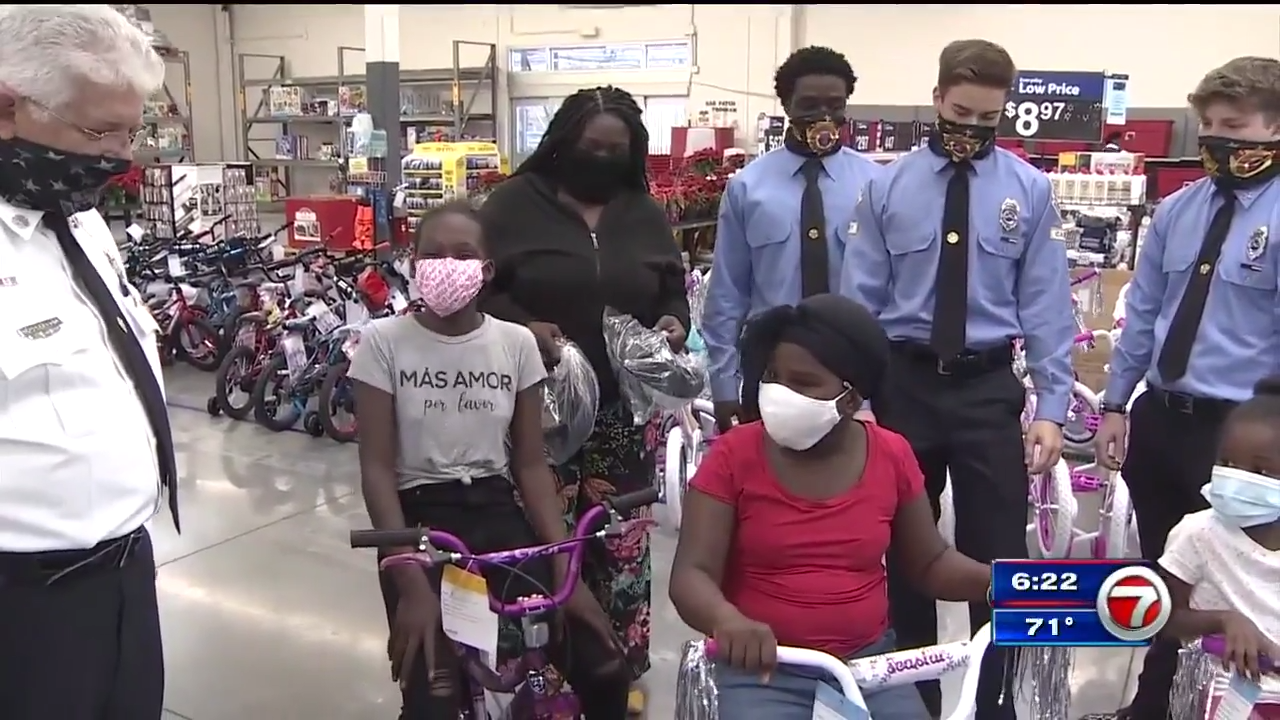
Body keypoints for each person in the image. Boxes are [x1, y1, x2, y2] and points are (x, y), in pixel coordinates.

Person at [840, 39, 1074, 719]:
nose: (972, 128)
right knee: (904, 552)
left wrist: (1052, 406)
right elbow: (859, 301)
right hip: (903, 386)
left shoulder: (1028, 190)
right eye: (962, 112)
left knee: (998, 556)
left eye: (988, 118)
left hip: (986, 389)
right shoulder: (886, 187)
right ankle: (912, 703)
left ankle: (993, 703)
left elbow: (1047, 305)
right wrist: (855, 398)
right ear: (938, 98)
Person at [348, 202, 631, 718]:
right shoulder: (383, 344)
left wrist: (564, 566)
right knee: (434, 695)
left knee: (605, 668)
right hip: (417, 524)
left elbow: (530, 465)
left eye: (463, 255)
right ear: (413, 263)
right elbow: (377, 471)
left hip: (498, 511)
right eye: (433, 254)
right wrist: (410, 581)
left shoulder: (515, 344)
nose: (447, 265)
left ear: (487, 269)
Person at [668, 294, 992, 720]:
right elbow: (691, 575)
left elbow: (930, 563)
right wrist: (726, 620)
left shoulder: (891, 455)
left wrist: (1003, 584)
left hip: (868, 669)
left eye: (802, 382)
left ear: (852, 399)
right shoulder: (732, 456)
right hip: (762, 671)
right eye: (773, 376)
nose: (779, 392)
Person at [477, 85, 690, 713]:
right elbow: (481, 290)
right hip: (536, 410)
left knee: (620, 543)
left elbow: (671, 287)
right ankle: (538, 671)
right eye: (589, 146)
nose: (600, 158)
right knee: (542, 541)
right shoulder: (513, 204)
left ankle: (615, 668)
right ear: (563, 141)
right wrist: (523, 327)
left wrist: (674, 322)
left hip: (624, 413)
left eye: (614, 150)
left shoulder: (641, 211)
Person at [0, 7, 179, 719]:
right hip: (24, 601)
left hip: (125, 571)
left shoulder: (78, 218)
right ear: (7, 108)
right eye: (100, 133)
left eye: (130, 132)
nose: (119, 156)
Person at [1094, 56, 1280, 720]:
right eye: (1209, 128)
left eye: (1235, 127)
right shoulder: (1177, 210)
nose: (1218, 140)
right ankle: (1152, 704)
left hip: (1243, 439)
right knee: (1165, 576)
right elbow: (1143, 312)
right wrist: (1115, 403)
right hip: (1162, 418)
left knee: (1241, 583)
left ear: (1274, 128)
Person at [703, 46, 882, 432]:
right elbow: (727, 294)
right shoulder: (747, 188)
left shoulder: (877, 185)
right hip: (772, 370)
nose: (824, 116)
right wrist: (724, 384)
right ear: (786, 105)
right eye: (809, 105)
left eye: (835, 105)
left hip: (852, 371)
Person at [1158, 377, 1280, 682]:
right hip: (1223, 695)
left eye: (1261, 471)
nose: (1238, 478)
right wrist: (1224, 621)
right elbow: (1165, 618)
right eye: (1227, 463)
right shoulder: (1198, 534)